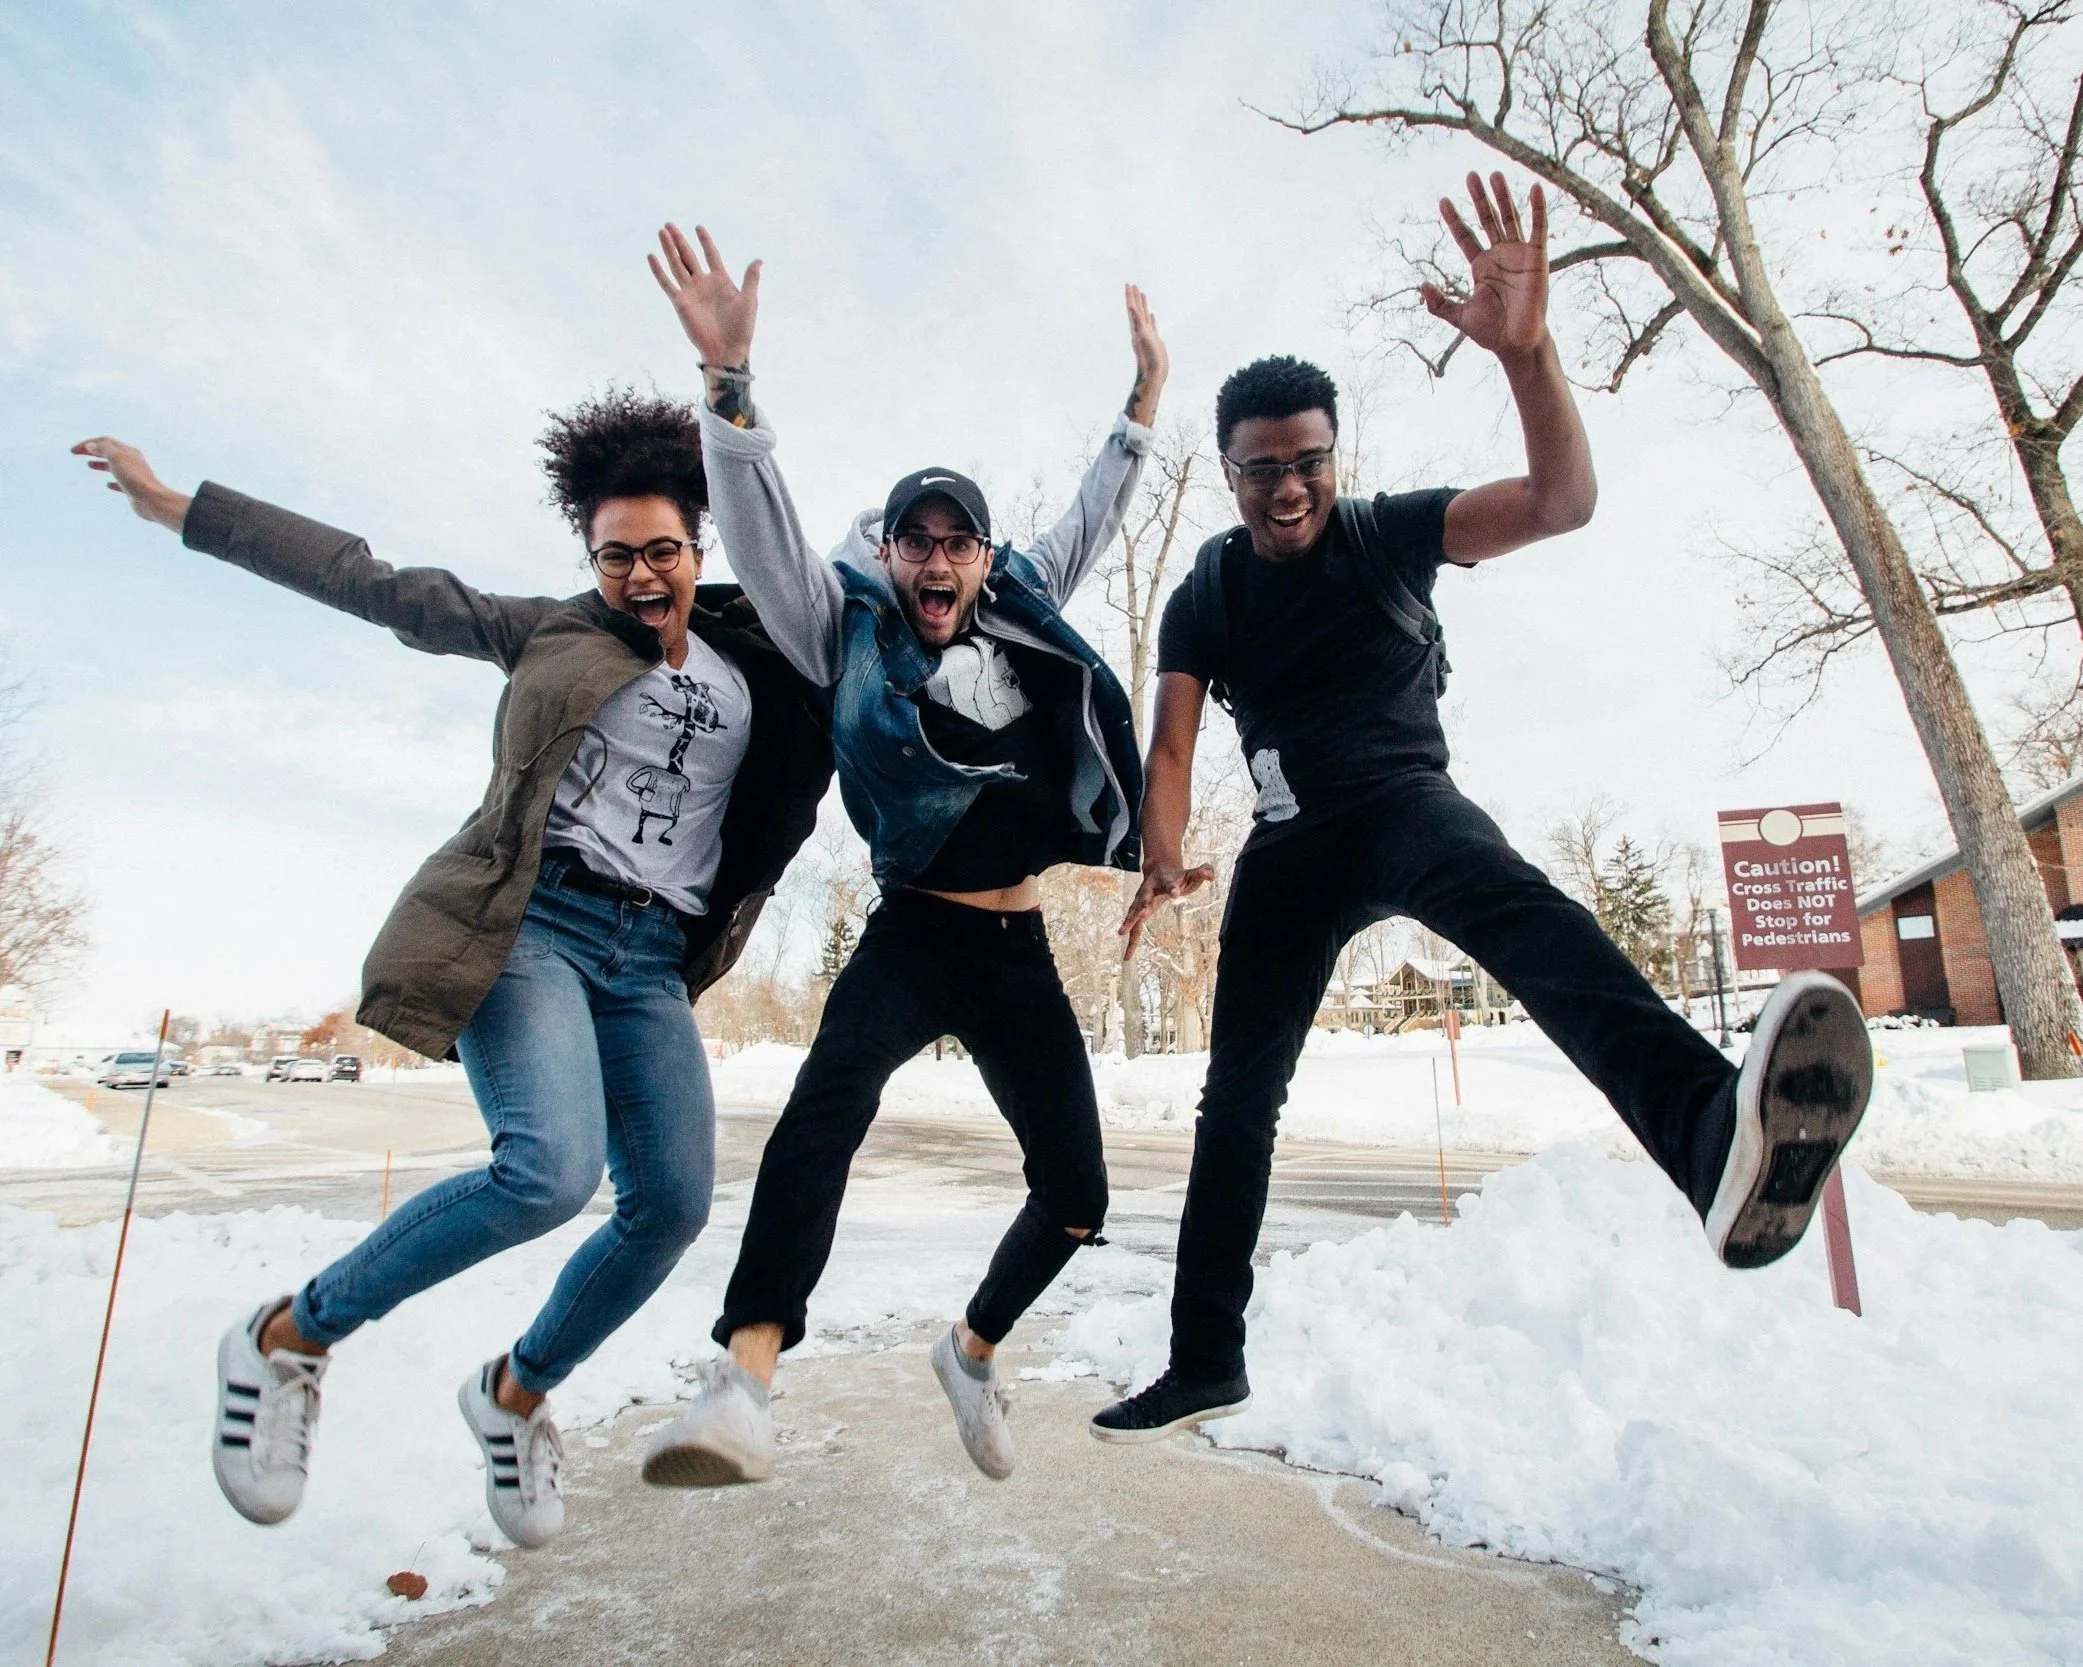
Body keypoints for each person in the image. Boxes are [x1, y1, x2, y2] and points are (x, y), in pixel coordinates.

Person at [1092, 174, 1875, 1443]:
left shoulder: (1391, 533)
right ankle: (1203, 1354)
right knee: (1237, 1097)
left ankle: (1708, 1134)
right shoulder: (1209, 590)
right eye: (1258, 472)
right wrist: (1163, 853)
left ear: (1331, 459)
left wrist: (1528, 355)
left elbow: (1561, 504)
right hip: (1291, 850)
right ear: (1225, 470)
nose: (1285, 490)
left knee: (1535, 922)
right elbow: (1171, 738)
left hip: (1406, 804)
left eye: (1306, 465)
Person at [72, 391, 832, 1543]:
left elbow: (851, 624)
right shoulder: (548, 631)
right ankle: (288, 1335)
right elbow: (371, 580)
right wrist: (187, 509)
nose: (640, 576)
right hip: (529, 924)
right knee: (547, 1171)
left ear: (698, 546)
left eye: (662, 551)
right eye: (615, 555)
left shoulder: (757, 658)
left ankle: (514, 1393)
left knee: (671, 1204)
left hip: (649, 961)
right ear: (590, 556)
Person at [634, 223, 1163, 1484]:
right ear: (890, 555)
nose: (936, 559)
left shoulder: (1022, 600)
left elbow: (1092, 517)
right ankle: (743, 1378)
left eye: (955, 542)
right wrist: (730, 393)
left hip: (1016, 940)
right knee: (820, 1119)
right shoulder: (844, 629)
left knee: (1079, 1194)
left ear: (981, 557)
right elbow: (762, 538)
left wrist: (1142, 402)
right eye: (915, 541)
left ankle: (971, 1349)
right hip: (913, 928)